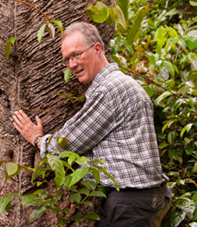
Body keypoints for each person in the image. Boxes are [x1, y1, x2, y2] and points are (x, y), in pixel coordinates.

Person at [12, 22, 172, 226]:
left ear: (97, 49)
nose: (72, 65)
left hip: (132, 203)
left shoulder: (110, 89)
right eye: (67, 60)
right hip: (141, 200)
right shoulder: (121, 84)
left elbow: (66, 145)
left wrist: (37, 138)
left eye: (76, 55)